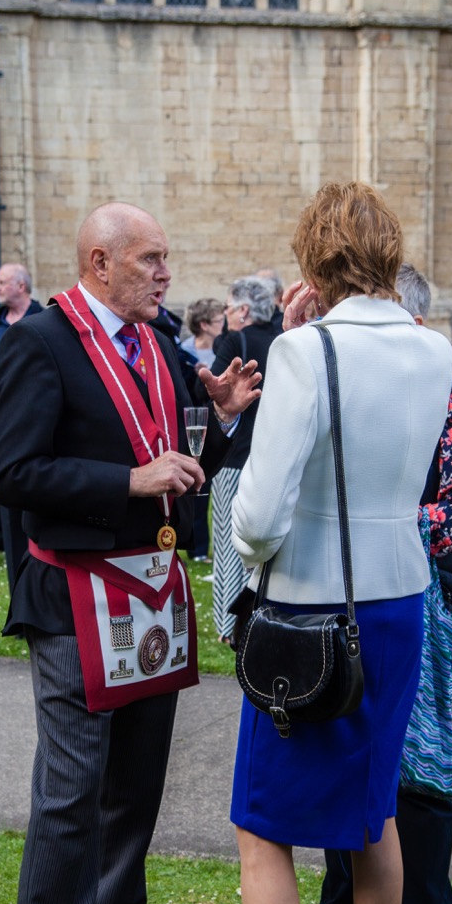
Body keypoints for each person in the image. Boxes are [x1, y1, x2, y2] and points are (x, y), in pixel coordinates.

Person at [0, 201, 262, 904]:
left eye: (166, 258)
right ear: (99, 262)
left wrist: (220, 421)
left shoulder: (159, 345)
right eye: (149, 259)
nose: (164, 273)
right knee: (71, 793)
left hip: (150, 594)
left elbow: (180, 470)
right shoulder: (40, 342)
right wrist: (127, 479)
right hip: (74, 593)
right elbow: (13, 472)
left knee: (135, 784)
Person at [207, 183, 452, 904]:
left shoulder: (303, 352)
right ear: (387, 252)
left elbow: (259, 516)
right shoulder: (432, 347)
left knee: (262, 825)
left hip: (310, 616)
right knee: (373, 809)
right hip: (397, 602)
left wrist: (246, 546)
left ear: (312, 259)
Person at [301, 262, 452, 904]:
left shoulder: (448, 398)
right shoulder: (340, 384)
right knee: (344, 751)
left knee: (424, 770)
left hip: (428, 601)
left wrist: (386, 526)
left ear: (412, 323)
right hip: (347, 597)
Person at [210, 276, 280, 645]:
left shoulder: (235, 344)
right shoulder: (283, 340)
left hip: (235, 456)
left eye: (227, 307)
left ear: (242, 310)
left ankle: (229, 626)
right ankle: (259, 618)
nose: (224, 314)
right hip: (271, 456)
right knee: (262, 547)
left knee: (228, 542)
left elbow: (211, 392)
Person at [0, 263, 43, 586]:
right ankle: (17, 585)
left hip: (35, 424)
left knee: (35, 500)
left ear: (21, 286)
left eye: (2, 282)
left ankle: (40, 579)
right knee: (5, 494)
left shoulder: (44, 319)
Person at [181, 299, 226, 561]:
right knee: (195, 487)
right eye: (219, 321)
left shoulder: (224, 349)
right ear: (205, 325)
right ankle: (196, 548)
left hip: (217, 424)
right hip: (192, 425)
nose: (224, 325)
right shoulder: (184, 352)